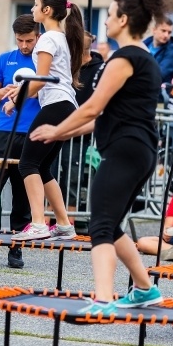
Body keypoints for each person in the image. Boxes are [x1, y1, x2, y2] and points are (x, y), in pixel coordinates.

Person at [30, 0, 173, 315]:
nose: (105, 20)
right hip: (139, 149)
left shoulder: (124, 59)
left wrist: (56, 128)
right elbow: (105, 117)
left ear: (123, 20)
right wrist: (65, 133)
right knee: (112, 225)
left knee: (100, 225)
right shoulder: (145, 58)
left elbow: (93, 107)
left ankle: (104, 300)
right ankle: (144, 289)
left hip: (126, 150)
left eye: (110, 14)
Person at [3, 0, 82, 241]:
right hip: (64, 105)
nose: (32, 9)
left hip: (57, 106)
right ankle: (64, 224)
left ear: (47, 10)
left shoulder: (47, 39)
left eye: (35, 5)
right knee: (43, 166)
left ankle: (38, 224)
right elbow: (43, 83)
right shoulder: (59, 36)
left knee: (27, 164)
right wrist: (20, 91)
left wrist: (16, 98)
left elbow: (41, 80)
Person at [0, 14, 42, 268]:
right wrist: (4, 92)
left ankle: (17, 249)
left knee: (22, 194)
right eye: (20, 40)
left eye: (29, 40)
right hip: (3, 132)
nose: (25, 45)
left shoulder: (44, 62)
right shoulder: (4, 59)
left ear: (38, 36)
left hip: (31, 132)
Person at [57, 32, 103, 218]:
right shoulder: (66, 65)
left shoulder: (100, 69)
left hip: (80, 135)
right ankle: (45, 219)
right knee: (50, 174)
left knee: (72, 179)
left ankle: (69, 221)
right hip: (58, 128)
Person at [143, 17, 173, 90]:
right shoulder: (144, 45)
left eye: (169, 32)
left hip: (163, 95)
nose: (166, 35)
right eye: (163, 31)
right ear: (154, 30)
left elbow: (158, 74)